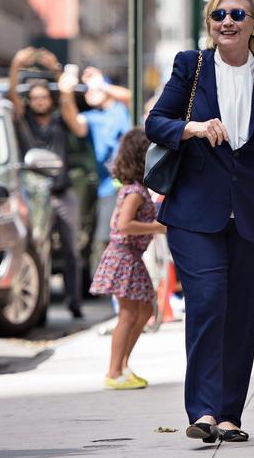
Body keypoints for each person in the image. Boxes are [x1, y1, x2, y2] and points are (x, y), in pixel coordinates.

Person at [145, 0, 254, 443]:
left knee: (244, 313)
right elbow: (156, 122)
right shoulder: (190, 66)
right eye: (218, 15)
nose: (227, 22)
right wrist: (190, 128)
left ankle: (230, 413)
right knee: (209, 301)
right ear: (210, 24)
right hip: (195, 211)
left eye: (238, 14)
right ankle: (204, 411)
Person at [8, 47, 84, 319]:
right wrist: (16, 65)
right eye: (35, 98)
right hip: (34, 195)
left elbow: (77, 123)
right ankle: (39, 308)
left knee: (72, 250)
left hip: (62, 193)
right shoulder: (23, 121)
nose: (40, 101)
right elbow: (13, 96)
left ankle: (74, 302)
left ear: (50, 100)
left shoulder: (59, 121)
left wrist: (56, 70)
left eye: (44, 97)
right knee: (37, 249)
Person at [89, 128, 165, 389]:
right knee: (129, 314)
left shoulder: (134, 190)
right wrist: (158, 227)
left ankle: (123, 366)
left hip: (130, 257)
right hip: (124, 257)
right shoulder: (134, 192)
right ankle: (114, 371)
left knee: (143, 310)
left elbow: (115, 220)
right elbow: (123, 225)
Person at [58, 66, 132, 276]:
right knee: (106, 238)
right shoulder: (91, 117)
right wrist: (66, 93)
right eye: (87, 88)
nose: (90, 91)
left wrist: (101, 85)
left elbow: (131, 97)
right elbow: (75, 123)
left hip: (132, 184)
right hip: (108, 188)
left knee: (130, 235)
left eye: (94, 87)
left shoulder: (121, 109)